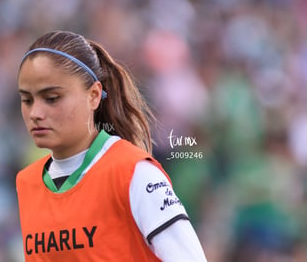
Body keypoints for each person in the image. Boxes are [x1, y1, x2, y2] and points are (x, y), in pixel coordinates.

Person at [16, 30, 207, 261]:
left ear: (94, 95)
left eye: (52, 98)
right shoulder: (26, 183)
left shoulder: (134, 173)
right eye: (27, 100)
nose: (35, 113)